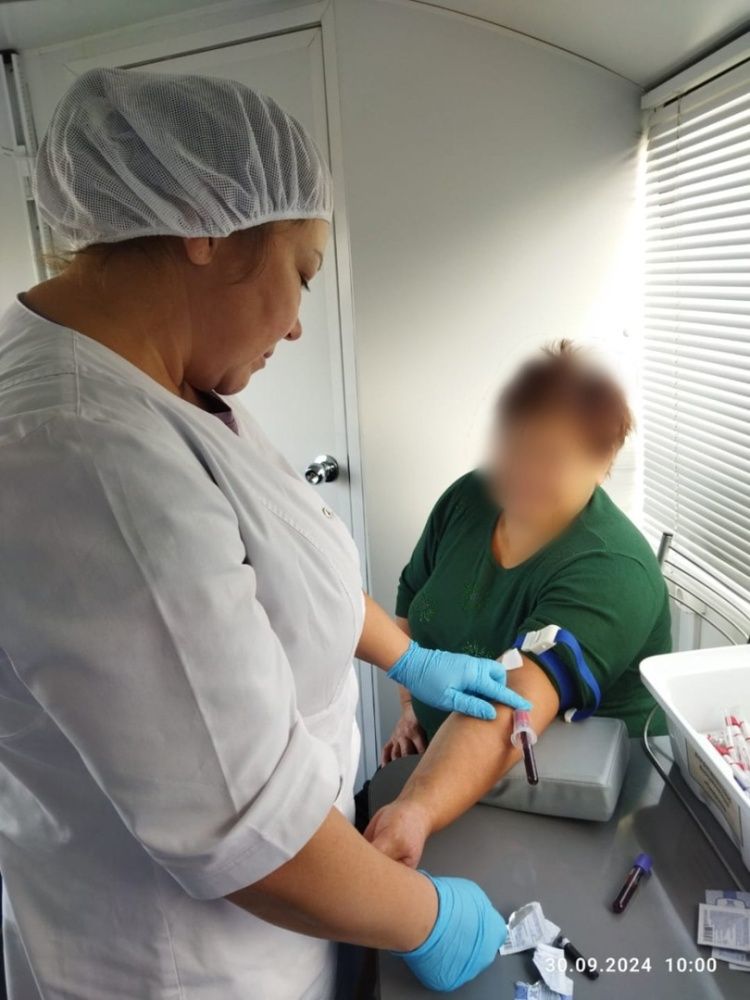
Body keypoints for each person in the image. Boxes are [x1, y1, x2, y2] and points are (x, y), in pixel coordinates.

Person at [0, 68, 529, 999]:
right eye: (303, 274)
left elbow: (277, 558)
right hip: (190, 962)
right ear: (203, 225)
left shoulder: (161, 383)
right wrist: (429, 918)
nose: (295, 328)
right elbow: (250, 835)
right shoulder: (87, 457)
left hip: (289, 912)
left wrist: (407, 657)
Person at [371, 342, 671, 867]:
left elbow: (515, 707)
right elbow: (412, 603)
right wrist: (409, 708)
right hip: (454, 779)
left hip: (576, 806)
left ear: (603, 463)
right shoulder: (468, 499)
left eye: (552, 456)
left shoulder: (612, 567)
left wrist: (415, 808)